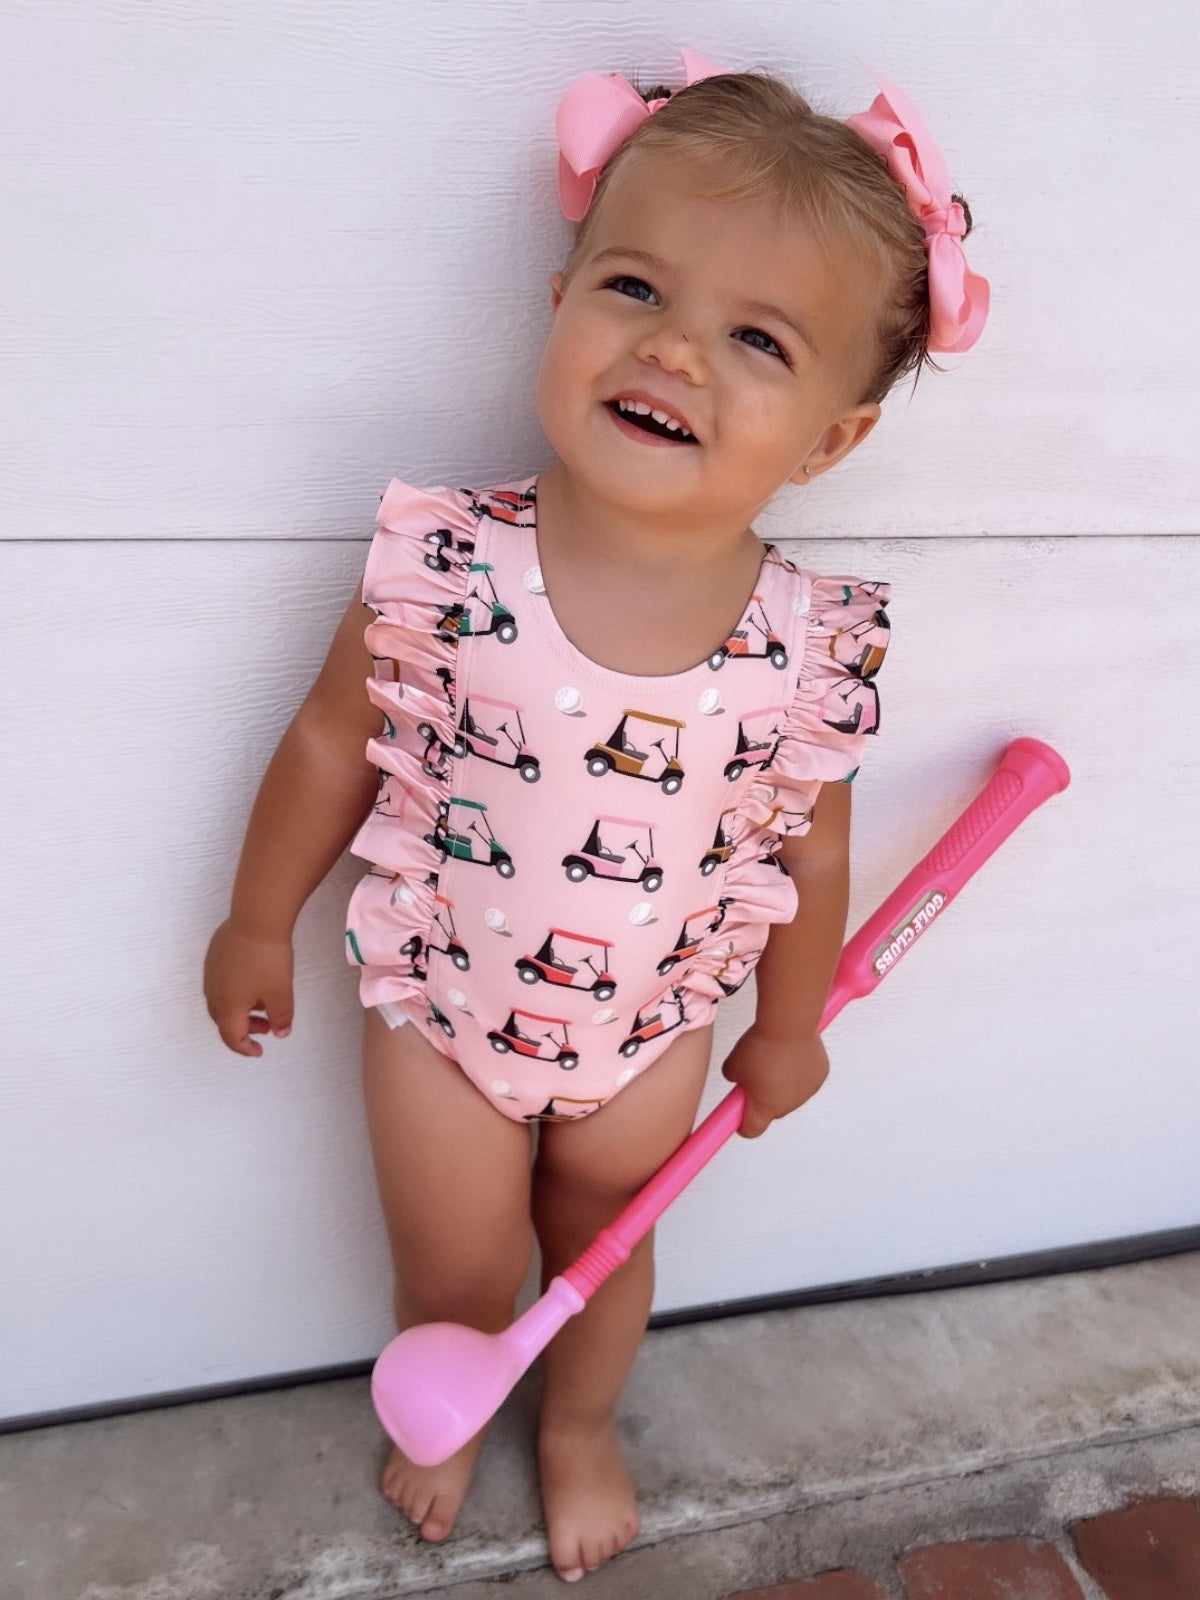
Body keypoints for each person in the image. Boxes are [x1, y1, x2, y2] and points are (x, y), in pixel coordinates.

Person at [203, 53, 987, 1584]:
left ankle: (578, 1421)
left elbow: (806, 843)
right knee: (459, 1259)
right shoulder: (448, 566)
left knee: (607, 1250)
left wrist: (786, 1021)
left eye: (757, 337)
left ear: (829, 440)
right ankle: (453, 1385)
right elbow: (326, 740)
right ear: (561, 299)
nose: (675, 352)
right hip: (444, 999)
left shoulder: (799, 649)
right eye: (635, 288)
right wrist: (254, 917)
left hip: (650, 1023)